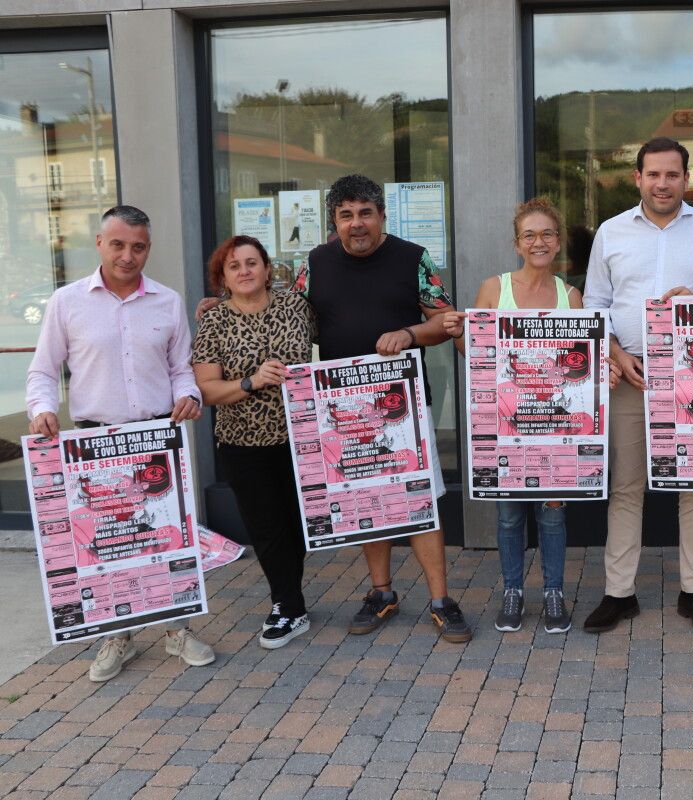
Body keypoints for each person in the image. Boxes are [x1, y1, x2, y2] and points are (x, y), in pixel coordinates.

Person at [198, 175, 471, 643]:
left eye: (365, 212)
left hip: (399, 403)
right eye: (346, 215)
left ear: (381, 215)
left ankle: (442, 599)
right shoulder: (317, 263)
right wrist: (221, 303)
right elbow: (280, 310)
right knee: (367, 499)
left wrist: (408, 334)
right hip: (342, 406)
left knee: (419, 500)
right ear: (334, 222)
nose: (356, 223)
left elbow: (446, 321)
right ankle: (381, 592)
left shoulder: (413, 258)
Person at [26, 205, 214, 681]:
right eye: (118, 244)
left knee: (165, 537)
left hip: (155, 439)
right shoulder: (67, 302)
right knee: (108, 543)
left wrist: (188, 395)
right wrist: (41, 409)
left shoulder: (167, 302)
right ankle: (117, 636)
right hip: (95, 443)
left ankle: (177, 629)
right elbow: (44, 371)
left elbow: (180, 370)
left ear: (148, 248)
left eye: (138, 246)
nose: (128, 255)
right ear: (99, 243)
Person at [581, 137, 693, 635]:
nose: (663, 183)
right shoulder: (610, 232)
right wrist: (615, 352)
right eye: (654, 174)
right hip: (630, 374)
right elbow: (595, 304)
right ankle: (619, 593)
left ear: (686, 179)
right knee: (627, 488)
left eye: (672, 174)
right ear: (638, 178)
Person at [443, 199, 618, 634]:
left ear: (558, 241)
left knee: (553, 513)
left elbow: (584, 362)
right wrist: (459, 335)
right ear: (517, 242)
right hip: (505, 425)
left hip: (555, 425)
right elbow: (475, 353)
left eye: (547, 234)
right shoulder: (493, 288)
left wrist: (605, 371)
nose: (538, 242)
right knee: (508, 516)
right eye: (529, 235)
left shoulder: (570, 295)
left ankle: (554, 592)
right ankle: (513, 591)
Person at [191, 235, 316, 648]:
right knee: (267, 527)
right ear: (222, 277)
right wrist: (250, 381)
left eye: (251, 262)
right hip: (243, 443)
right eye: (234, 266)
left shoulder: (297, 307)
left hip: (300, 437)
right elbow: (206, 391)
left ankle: (290, 599)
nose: (244, 271)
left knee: (298, 522)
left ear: (266, 268)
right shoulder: (214, 320)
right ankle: (287, 604)